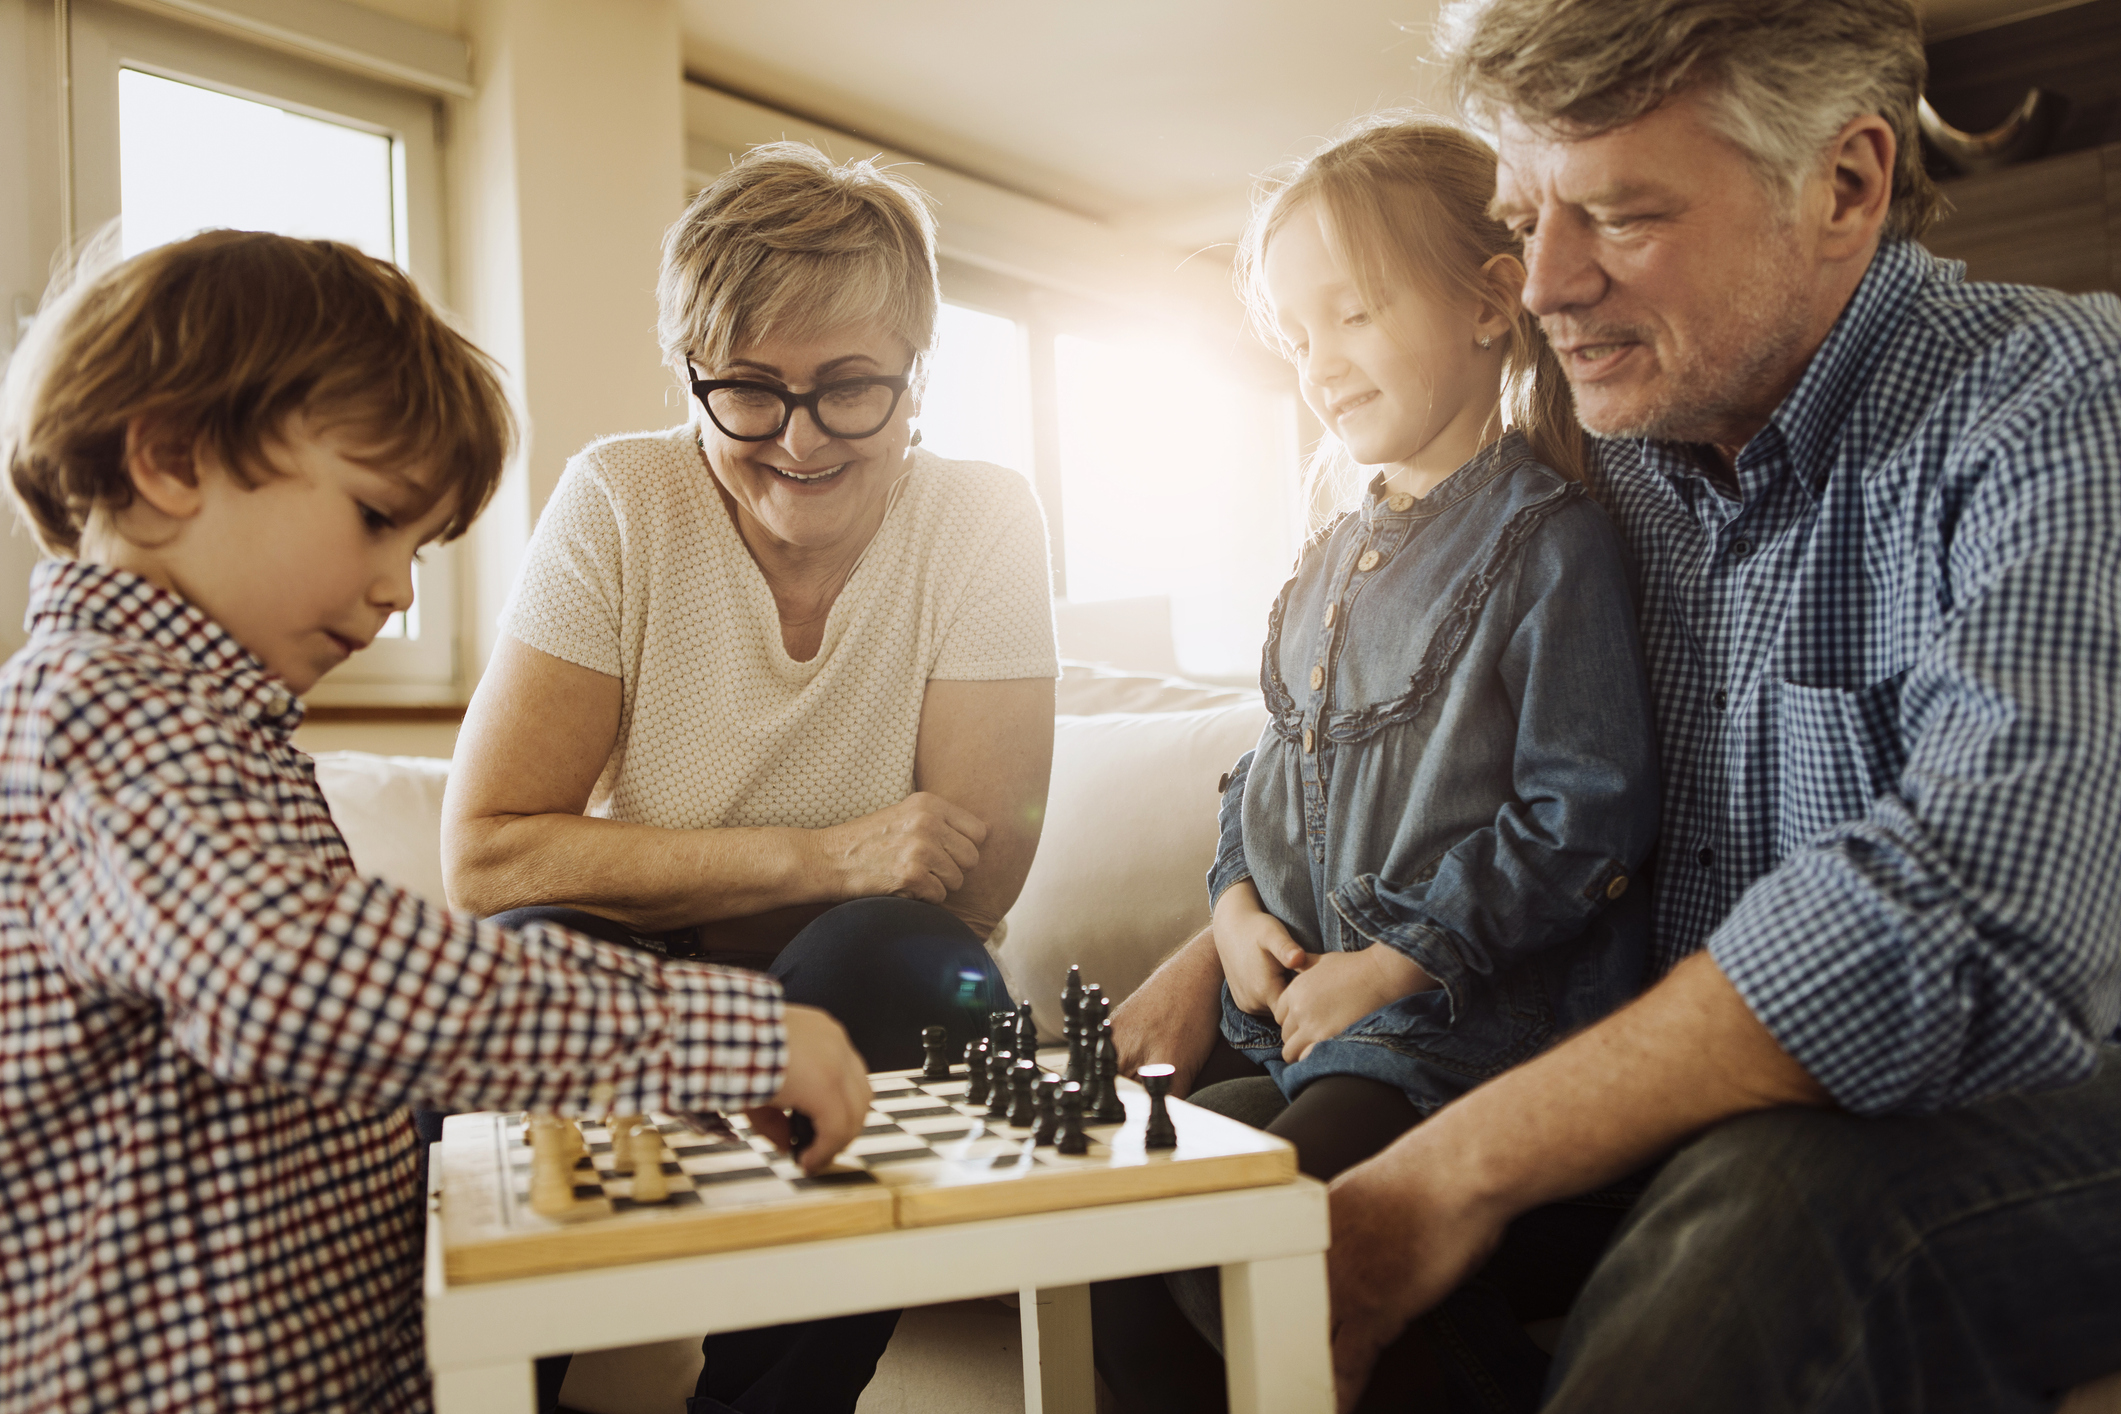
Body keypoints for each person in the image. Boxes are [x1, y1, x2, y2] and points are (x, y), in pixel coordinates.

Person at [1122, 0, 2121, 1409]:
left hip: (2047, 1084)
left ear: (1845, 184)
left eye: (1620, 217)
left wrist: (1456, 1170)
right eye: (1528, 217)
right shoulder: (1608, 470)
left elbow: (1977, 911)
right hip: (1665, 1085)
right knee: (1179, 1194)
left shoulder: (2054, 399)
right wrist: (1203, 940)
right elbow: (1411, 756)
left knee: (1769, 1198)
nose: (1541, 284)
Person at [0, 229, 872, 1414]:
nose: (400, 587)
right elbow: (292, 972)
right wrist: (728, 1035)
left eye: (417, 545)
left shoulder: (202, 724)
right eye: (373, 519)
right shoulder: (101, 716)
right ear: (165, 458)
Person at [438, 142, 1059, 1412]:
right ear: (693, 379)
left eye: (850, 390)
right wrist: (823, 857)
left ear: (918, 378)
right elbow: (493, 856)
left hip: (864, 983)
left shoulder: (986, 517)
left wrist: (688, 881)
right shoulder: (621, 495)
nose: (797, 439)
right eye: (750, 392)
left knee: (889, 956)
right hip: (633, 976)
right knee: (538, 946)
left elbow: (968, 872)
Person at [1093, 118, 1660, 1414]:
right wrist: (1231, 902)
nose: (1318, 363)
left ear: (1487, 297)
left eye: (1350, 314)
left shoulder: (1550, 543)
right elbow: (1264, 778)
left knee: (1279, 1228)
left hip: (1463, 1040)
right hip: (1312, 1038)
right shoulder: (1320, 566)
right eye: (1295, 337)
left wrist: (1402, 957)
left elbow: (1586, 816)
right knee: (1125, 1203)